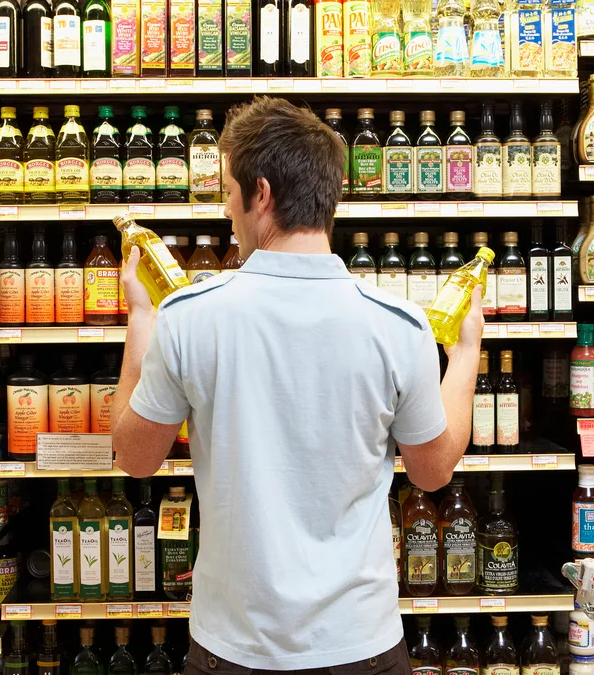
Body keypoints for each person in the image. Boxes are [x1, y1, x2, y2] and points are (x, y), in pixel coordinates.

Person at [110, 97, 483, 673]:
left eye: (229, 194)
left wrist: (142, 319)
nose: (227, 212)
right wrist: (466, 353)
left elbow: (134, 457)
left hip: (232, 648)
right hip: (361, 643)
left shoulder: (188, 315)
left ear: (261, 194)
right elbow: (432, 472)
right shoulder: (397, 325)